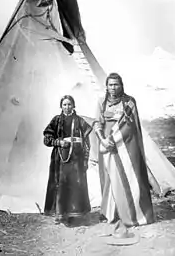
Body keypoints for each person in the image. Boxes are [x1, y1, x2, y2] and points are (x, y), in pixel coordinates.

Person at [93, 73, 154, 237]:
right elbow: (97, 122)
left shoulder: (129, 102)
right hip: (107, 145)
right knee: (110, 179)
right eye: (110, 85)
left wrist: (112, 139)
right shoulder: (102, 101)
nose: (113, 88)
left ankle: (131, 214)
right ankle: (112, 213)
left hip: (125, 146)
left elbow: (129, 125)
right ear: (106, 86)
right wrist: (103, 140)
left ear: (122, 85)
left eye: (116, 84)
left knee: (126, 178)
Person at [43, 95, 92, 226]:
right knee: (61, 184)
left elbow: (87, 142)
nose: (67, 107)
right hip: (60, 159)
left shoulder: (79, 121)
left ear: (74, 105)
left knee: (75, 185)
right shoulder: (56, 120)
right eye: (64, 104)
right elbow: (46, 139)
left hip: (76, 159)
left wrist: (86, 159)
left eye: (69, 104)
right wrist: (58, 142)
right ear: (61, 106)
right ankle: (60, 214)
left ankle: (75, 214)